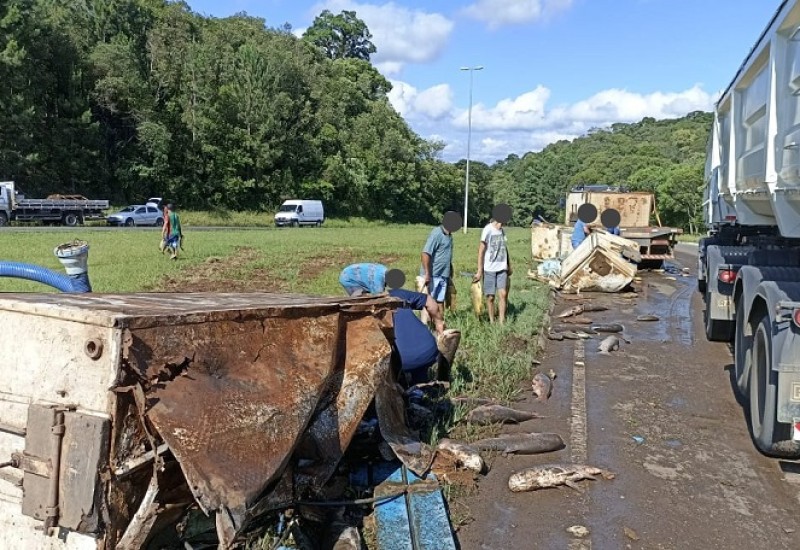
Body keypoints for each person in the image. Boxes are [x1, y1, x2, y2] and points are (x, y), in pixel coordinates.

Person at [387, 287, 445, 385]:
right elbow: (430, 302)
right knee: (420, 375)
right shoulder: (397, 293)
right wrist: (439, 322)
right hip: (428, 349)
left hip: (401, 360)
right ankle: (420, 387)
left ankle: (404, 388)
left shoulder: (358, 305)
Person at [474, 218, 512, 324]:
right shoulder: (487, 230)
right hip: (489, 268)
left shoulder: (502, 231)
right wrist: (479, 270)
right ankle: (491, 321)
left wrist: (509, 265)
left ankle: (501, 322)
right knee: (490, 297)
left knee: (503, 294)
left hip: (502, 267)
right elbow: (481, 251)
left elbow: (504, 248)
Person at [420, 220, 454, 319]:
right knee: (429, 301)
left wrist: (450, 270)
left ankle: (440, 323)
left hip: (443, 274)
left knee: (440, 300)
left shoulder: (449, 236)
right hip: (432, 275)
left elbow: (446, 254)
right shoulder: (436, 233)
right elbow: (425, 253)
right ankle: (426, 326)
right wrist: (427, 273)